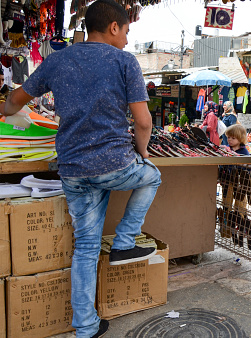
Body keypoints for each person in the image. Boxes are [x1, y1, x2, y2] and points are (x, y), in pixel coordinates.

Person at [0, 1, 162, 337]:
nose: (128, 40)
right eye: (127, 31)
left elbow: (14, 102)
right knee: (152, 175)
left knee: (85, 249)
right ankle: (124, 242)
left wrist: (6, 107)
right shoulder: (124, 61)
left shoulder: (57, 60)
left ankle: (86, 328)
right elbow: (143, 121)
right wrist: (143, 154)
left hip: (72, 168)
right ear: (114, 27)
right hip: (115, 163)